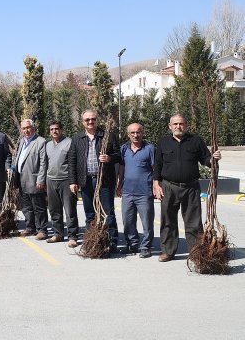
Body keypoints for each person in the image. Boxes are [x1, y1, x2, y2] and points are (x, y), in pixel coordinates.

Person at [153, 114, 221, 262]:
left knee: (194, 222)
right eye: (175, 124)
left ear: (186, 125)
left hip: (191, 188)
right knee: (168, 221)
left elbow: (206, 160)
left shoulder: (195, 141)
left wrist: (213, 159)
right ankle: (168, 252)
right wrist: (156, 184)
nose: (178, 126)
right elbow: (157, 164)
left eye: (181, 124)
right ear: (170, 126)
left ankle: (196, 253)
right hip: (168, 187)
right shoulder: (163, 142)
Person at [68, 110, 120, 252]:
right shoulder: (77, 138)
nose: (90, 122)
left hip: (104, 180)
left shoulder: (107, 136)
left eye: (93, 119)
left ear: (97, 120)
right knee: (90, 212)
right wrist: (73, 181)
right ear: (82, 122)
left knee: (107, 212)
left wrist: (109, 158)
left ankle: (112, 241)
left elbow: (118, 155)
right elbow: (72, 161)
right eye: (87, 120)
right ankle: (92, 238)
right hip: (85, 181)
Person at [117, 123, 155, 258]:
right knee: (127, 221)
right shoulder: (124, 149)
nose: (135, 135)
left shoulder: (150, 149)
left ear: (142, 133)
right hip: (127, 192)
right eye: (132, 133)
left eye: (138, 132)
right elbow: (122, 167)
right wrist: (119, 184)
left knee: (147, 222)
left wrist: (156, 185)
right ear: (128, 135)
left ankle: (146, 247)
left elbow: (155, 168)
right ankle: (132, 245)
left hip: (144, 192)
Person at [44, 121, 79, 246]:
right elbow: (45, 163)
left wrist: (73, 181)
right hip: (51, 180)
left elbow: (74, 163)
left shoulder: (69, 142)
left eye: (57, 129)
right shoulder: (48, 145)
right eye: (52, 129)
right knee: (54, 210)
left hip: (66, 181)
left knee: (70, 210)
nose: (54, 131)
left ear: (62, 130)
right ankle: (58, 234)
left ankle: (72, 236)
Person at [15, 119, 49, 239]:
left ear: (33, 128)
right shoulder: (22, 141)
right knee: (26, 207)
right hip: (22, 179)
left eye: (28, 127)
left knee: (39, 207)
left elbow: (43, 163)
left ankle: (42, 230)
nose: (26, 130)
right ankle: (30, 227)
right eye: (23, 128)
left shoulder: (40, 142)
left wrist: (41, 179)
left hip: (34, 180)